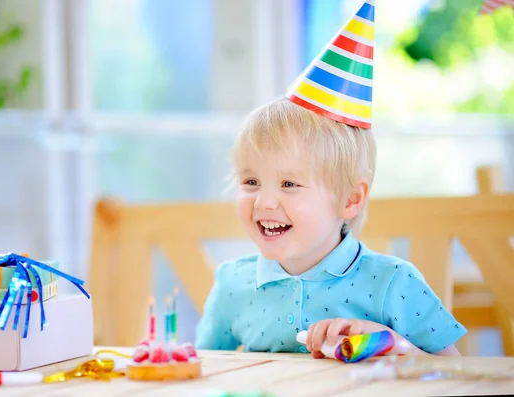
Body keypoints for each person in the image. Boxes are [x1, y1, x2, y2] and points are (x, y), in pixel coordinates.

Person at [194, 0, 466, 358]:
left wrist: (392, 343)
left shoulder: (393, 283)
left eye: (289, 184)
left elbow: (457, 374)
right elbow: (205, 367)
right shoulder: (233, 284)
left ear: (351, 199)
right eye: (251, 182)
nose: (264, 202)